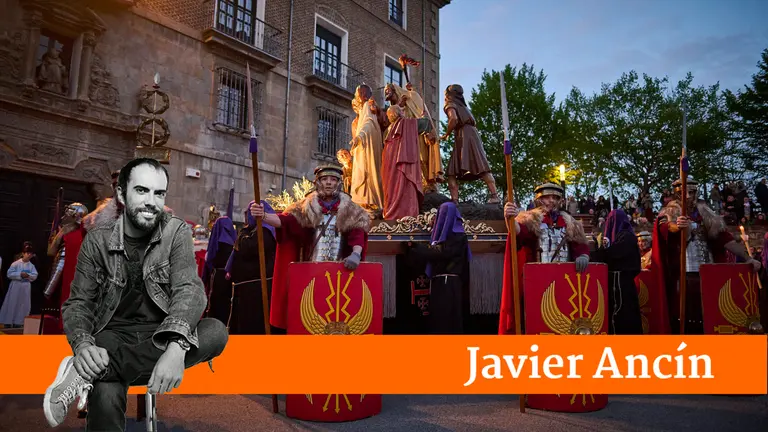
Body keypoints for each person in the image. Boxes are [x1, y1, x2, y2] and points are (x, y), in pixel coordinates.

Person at [43, 158, 229, 430]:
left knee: (215, 331)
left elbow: (189, 290)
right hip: (112, 334)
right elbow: (79, 302)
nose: (151, 201)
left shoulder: (175, 232)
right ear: (120, 194)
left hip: (162, 335)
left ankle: (83, 374)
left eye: (158, 193)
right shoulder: (97, 240)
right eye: (141, 190)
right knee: (105, 384)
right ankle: (95, 369)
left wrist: (177, 347)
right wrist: (83, 345)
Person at [249, 165, 370, 331]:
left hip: (342, 273)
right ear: (318, 182)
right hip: (311, 272)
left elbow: (358, 232)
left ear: (339, 183)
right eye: (324, 179)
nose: (328, 183)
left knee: (338, 315)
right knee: (311, 315)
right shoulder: (305, 208)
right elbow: (286, 223)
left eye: (333, 179)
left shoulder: (352, 210)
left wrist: (356, 254)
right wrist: (262, 215)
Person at [651, 176, 761, 334]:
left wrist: (748, 258)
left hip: (708, 272)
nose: (688, 196)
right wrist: (676, 226)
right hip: (682, 273)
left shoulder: (706, 214)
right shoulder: (668, 213)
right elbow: (664, 228)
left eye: (692, 192)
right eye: (684, 192)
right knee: (683, 315)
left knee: (708, 314)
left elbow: (726, 240)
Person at [498, 182, 591, 335]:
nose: (551, 201)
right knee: (537, 318)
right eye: (547, 197)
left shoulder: (570, 223)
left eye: (555, 197)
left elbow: (579, 244)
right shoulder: (531, 219)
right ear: (539, 199)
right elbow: (519, 234)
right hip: (538, 280)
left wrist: (583, 255)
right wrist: (510, 219)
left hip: (565, 280)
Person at [403, 202, 470, 334]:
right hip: (442, 282)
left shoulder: (457, 236)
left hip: (448, 282)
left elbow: (440, 252)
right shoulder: (451, 235)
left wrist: (415, 247)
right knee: (439, 319)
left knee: (446, 320)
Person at [224, 200, 278, 334]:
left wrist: (243, 233)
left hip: (257, 289)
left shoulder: (266, 231)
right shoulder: (253, 229)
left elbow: (247, 248)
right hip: (246, 288)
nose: (249, 216)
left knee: (253, 326)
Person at [441, 84, 499, 204]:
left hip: (463, 137)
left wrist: (446, 134)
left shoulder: (450, 104)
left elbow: (453, 119)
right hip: (473, 136)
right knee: (482, 166)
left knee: (452, 171)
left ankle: (455, 200)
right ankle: (495, 195)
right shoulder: (465, 108)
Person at [591, 210, 644, 334]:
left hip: (622, 284)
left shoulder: (627, 237)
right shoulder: (620, 237)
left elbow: (613, 254)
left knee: (622, 316)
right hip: (617, 283)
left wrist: (597, 253)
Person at [384, 82, 444, 192]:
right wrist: (400, 106)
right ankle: (416, 184)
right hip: (406, 139)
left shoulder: (411, 96)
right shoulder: (396, 106)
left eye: (388, 89)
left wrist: (429, 132)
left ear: (395, 89)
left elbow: (422, 113)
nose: (386, 92)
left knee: (422, 158)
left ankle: (429, 184)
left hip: (418, 134)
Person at [44, 203, 89, 331]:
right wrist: (56, 236)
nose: (66, 216)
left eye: (69, 213)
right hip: (63, 269)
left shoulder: (85, 231)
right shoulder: (64, 230)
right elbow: (51, 252)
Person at [381, 104, 432, 220]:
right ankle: (407, 215)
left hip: (388, 163)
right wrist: (425, 116)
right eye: (402, 110)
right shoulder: (406, 124)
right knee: (405, 185)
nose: (404, 112)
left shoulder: (388, 130)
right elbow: (425, 125)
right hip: (401, 163)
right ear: (399, 113)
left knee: (392, 188)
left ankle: (391, 213)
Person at [349, 85, 384, 215]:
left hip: (367, 145)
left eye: (357, 94)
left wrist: (359, 137)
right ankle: (367, 202)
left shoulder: (367, 106)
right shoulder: (368, 108)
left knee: (367, 172)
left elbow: (368, 123)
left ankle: (369, 201)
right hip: (366, 144)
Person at [0, 244, 38, 328]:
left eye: (30, 254)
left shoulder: (31, 266)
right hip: (16, 286)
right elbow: (9, 274)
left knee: (23, 304)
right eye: (27, 253)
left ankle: (19, 321)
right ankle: (8, 321)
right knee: (12, 302)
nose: (29, 255)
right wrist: (20, 274)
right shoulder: (15, 264)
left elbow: (35, 276)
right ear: (23, 253)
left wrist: (28, 276)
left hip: (25, 287)